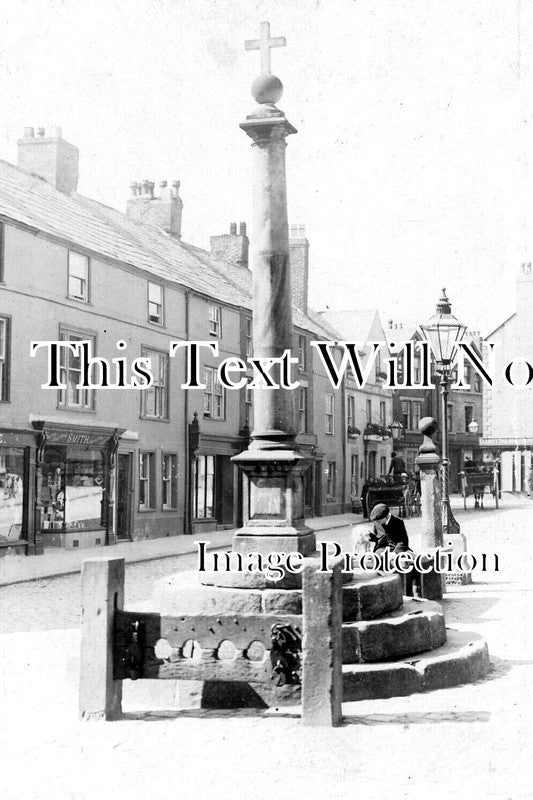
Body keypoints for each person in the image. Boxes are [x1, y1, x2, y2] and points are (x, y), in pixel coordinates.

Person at [368, 502, 419, 596]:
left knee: (409, 562)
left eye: (379, 520)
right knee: (378, 559)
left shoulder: (398, 522)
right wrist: (368, 536)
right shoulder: (377, 522)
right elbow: (377, 538)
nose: (377, 522)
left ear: (387, 517)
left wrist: (395, 553)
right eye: (376, 521)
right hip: (383, 548)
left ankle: (411, 591)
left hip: (397, 548)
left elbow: (403, 541)